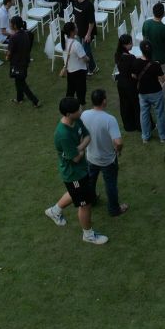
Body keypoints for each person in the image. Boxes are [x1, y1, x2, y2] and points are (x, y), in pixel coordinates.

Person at [44, 97, 109, 245]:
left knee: (76, 192)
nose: (81, 110)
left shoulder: (77, 120)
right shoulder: (63, 134)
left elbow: (88, 136)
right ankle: (88, 235)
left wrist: (79, 147)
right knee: (85, 204)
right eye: (77, 110)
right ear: (68, 114)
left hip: (81, 169)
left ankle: (54, 211)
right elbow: (76, 159)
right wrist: (81, 149)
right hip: (73, 174)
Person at [81, 89, 128, 218]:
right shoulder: (109, 119)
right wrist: (118, 150)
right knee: (110, 184)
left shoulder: (84, 114)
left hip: (91, 157)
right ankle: (114, 209)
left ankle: (91, 201)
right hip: (108, 160)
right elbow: (118, 142)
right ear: (104, 101)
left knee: (90, 182)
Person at [134, 41, 165, 143]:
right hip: (155, 92)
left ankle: (145, 137)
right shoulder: (155, 64)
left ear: (141, 50)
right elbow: (162, 79)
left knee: (144, 114)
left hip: (143, 92)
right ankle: (163, 136)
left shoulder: (136, 62)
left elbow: (134, 76)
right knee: (160, 114)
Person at [7, 15, 40, 107]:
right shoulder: (26, 34)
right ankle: (19, 98)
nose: (9, 25)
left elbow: (9, 52)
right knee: (18, 80)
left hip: (17, 63)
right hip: (25, 61)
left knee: (21, 83)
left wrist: (7, 57)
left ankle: (35, 101)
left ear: (14, 25)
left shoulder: (13, 38)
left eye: (11, 23)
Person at [113, 35, 141, 131]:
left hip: (121, 83)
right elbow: (134, 72)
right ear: (124, 45)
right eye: (130, 43)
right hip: (130, 83)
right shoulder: (131, 58)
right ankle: (139, 125)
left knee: (125, 104)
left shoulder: (117, 55)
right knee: (136, 104)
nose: (132, 45)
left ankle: (129, 125)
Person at [60, 20, 90, 104]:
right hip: (79, 72)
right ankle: (81, 110)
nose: (77, 28)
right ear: (72, 32)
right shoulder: (76, 44)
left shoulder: (64, 41)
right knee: (81, 95)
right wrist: (88, 58)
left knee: (70, 92)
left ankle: (67, 108)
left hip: (70, 71)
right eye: (76, 27)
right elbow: (84, 58)